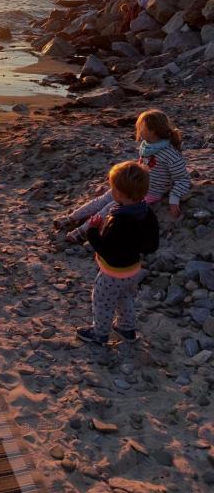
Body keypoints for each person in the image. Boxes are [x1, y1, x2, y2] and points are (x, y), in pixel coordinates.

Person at [56, 108, 190, 242]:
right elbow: (142, 166)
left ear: (152, 130)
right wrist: (124, 175)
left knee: (110, 207)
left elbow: (183, 178)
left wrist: (174, 199)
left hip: (147, 192)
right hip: (135, 183)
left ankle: (82, 231)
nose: (138, 130)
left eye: (141, 127)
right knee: (103, 199)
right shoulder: (148, 146)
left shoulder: (170, 154)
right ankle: (71, 218)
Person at [76, 160, 160, 345]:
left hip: (113, 272)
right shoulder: (146, 212)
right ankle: (126, 329)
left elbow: (106, 250)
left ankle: (100, 333)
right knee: (125, 298)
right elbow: (152, 245)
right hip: (133, 270)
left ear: (119, 193)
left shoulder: (121, 220)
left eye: (112, 188)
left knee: (102, 302)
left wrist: (92, 230)